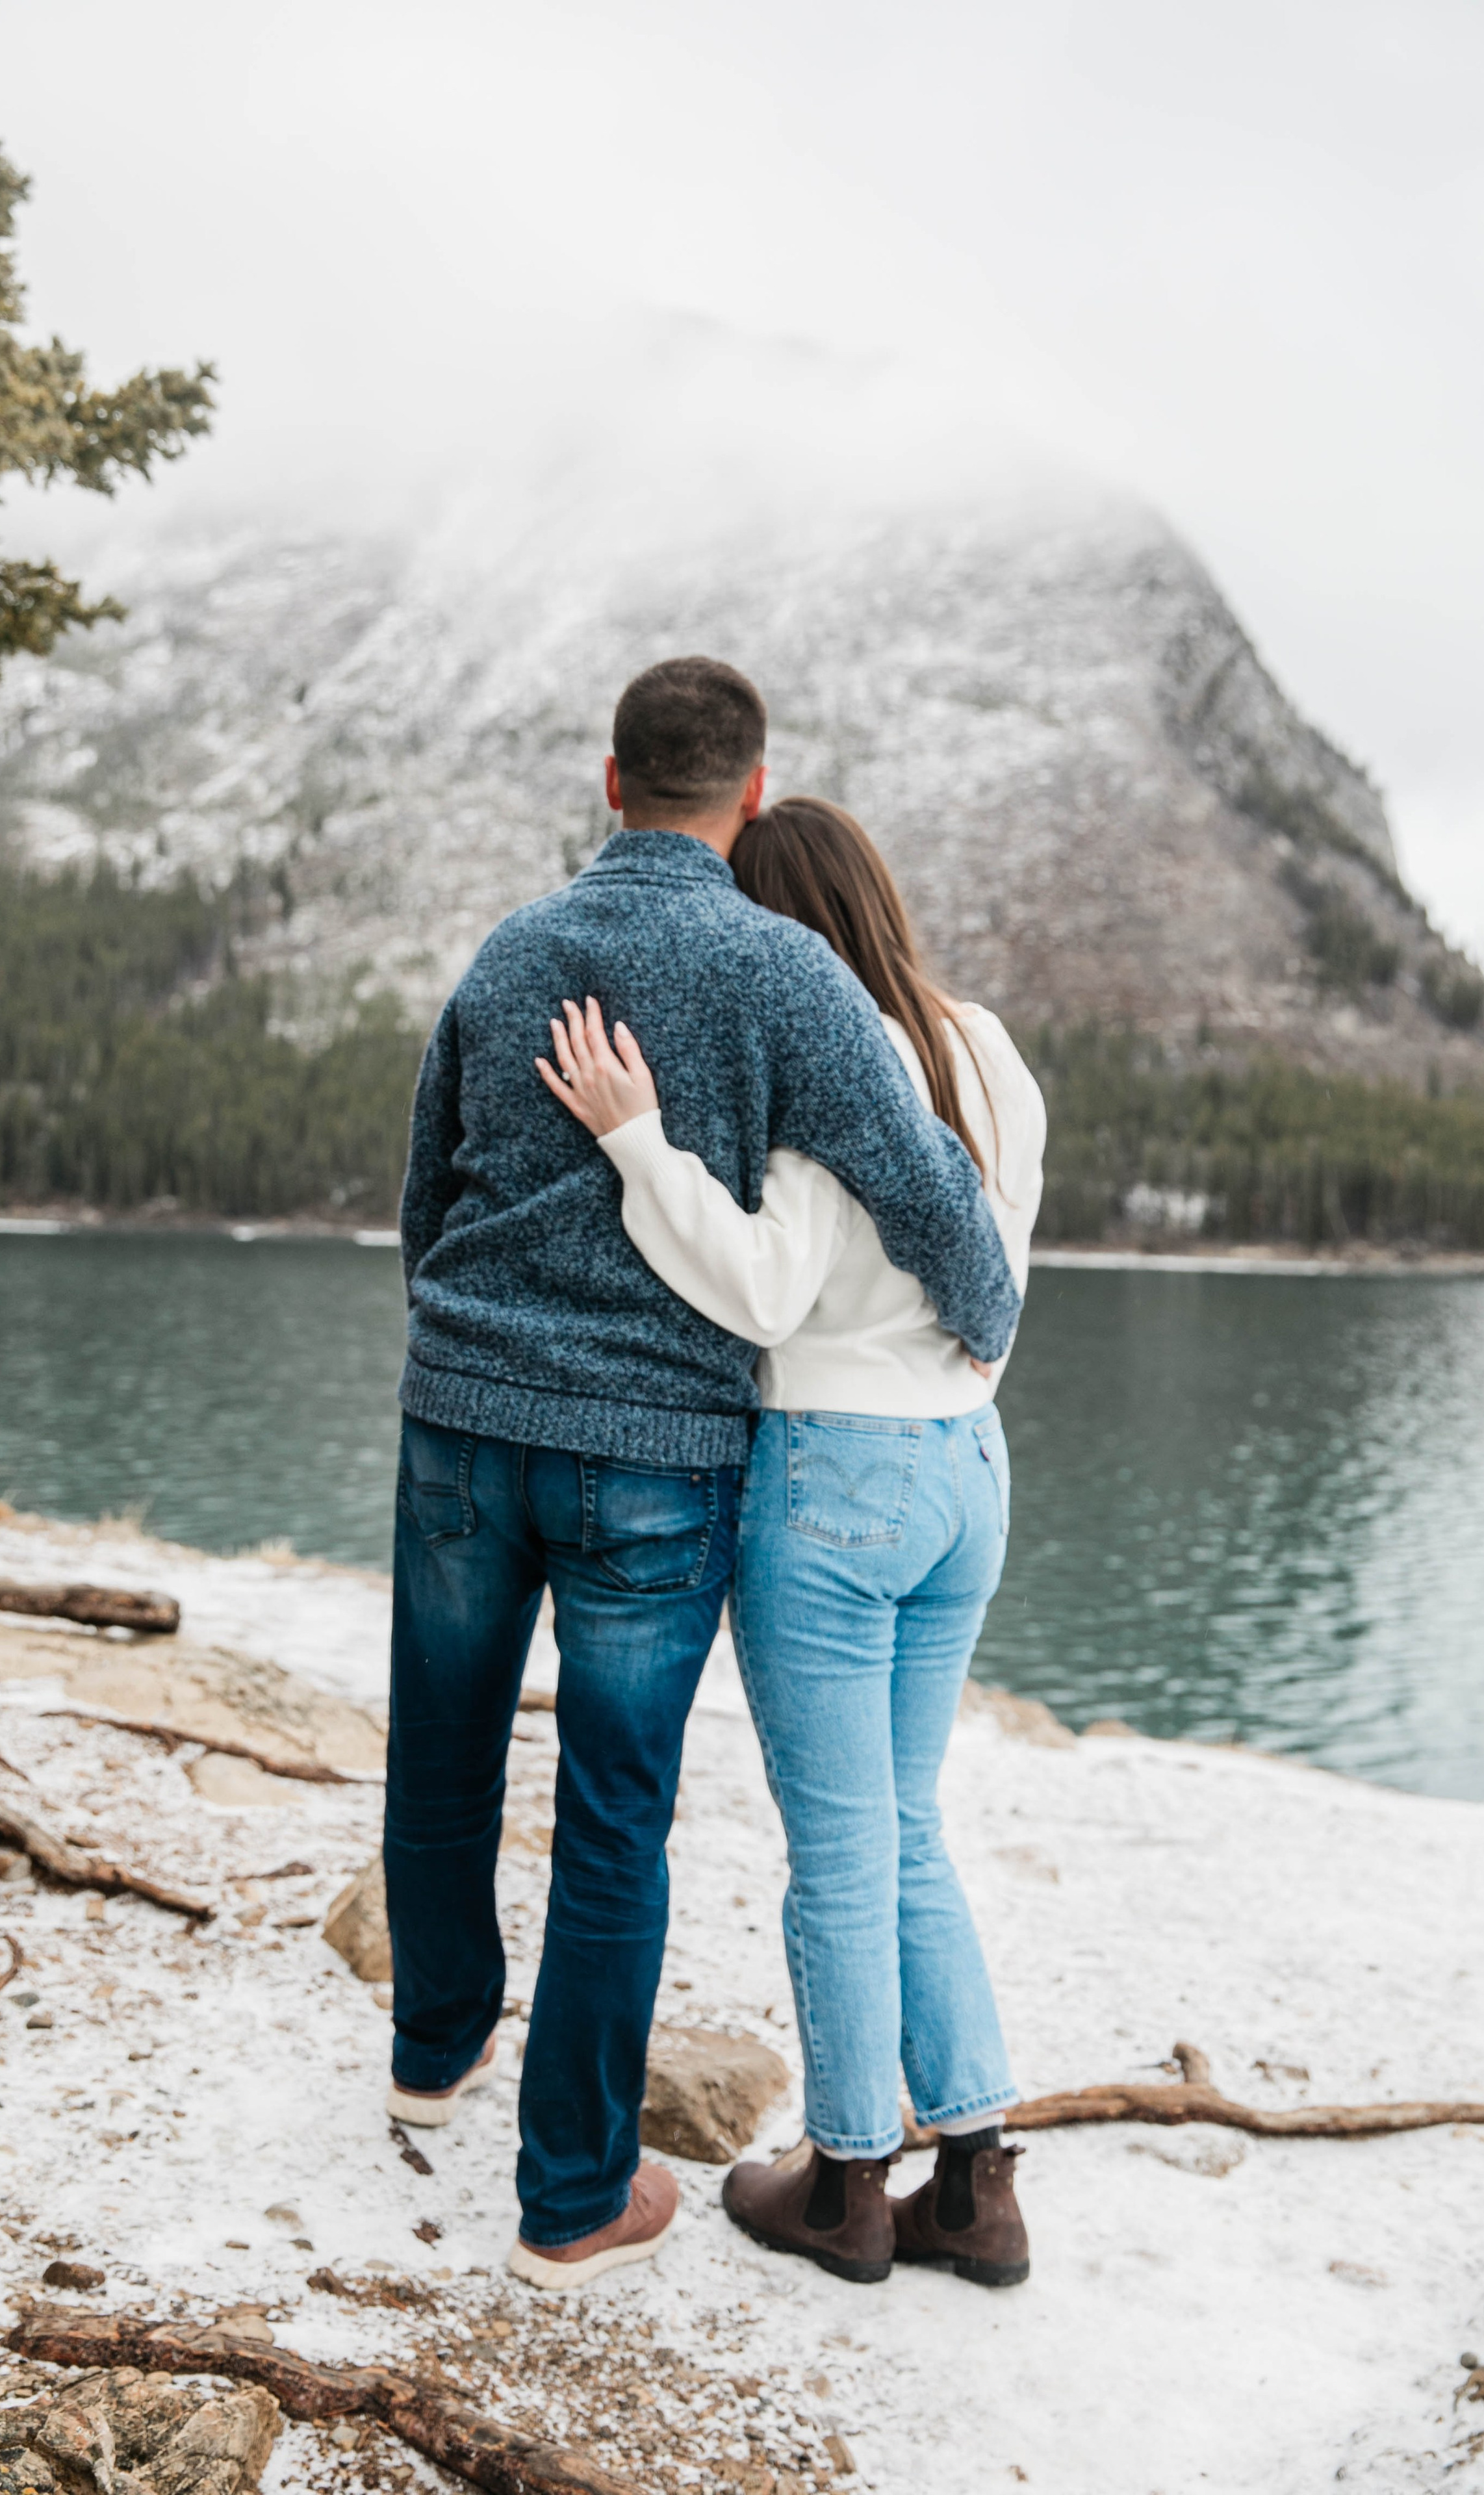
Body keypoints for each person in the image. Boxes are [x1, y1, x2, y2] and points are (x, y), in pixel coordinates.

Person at [389, 661, 1022, 2290]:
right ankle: (570, 2197)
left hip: (464, 1413)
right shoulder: (790, 976)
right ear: (750, 797)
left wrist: (463, 1340)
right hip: (660, 1458)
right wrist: (990, 1318)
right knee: (614, 1816)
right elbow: (920, 1179)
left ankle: (433, 2043)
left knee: (444, 1749)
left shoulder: (511, 949)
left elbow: (425, 1182)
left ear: (611, 783)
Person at [537, 794, 1045, 2289]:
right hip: (968, 1463)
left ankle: (842, 2184)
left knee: (836, 1849)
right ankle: (973, 2181)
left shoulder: (836, 1058)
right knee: (904, 1828)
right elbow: (986, 1264)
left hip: (834, 1470)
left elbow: (765, 1289)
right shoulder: (986, 1046)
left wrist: (638, 1146)